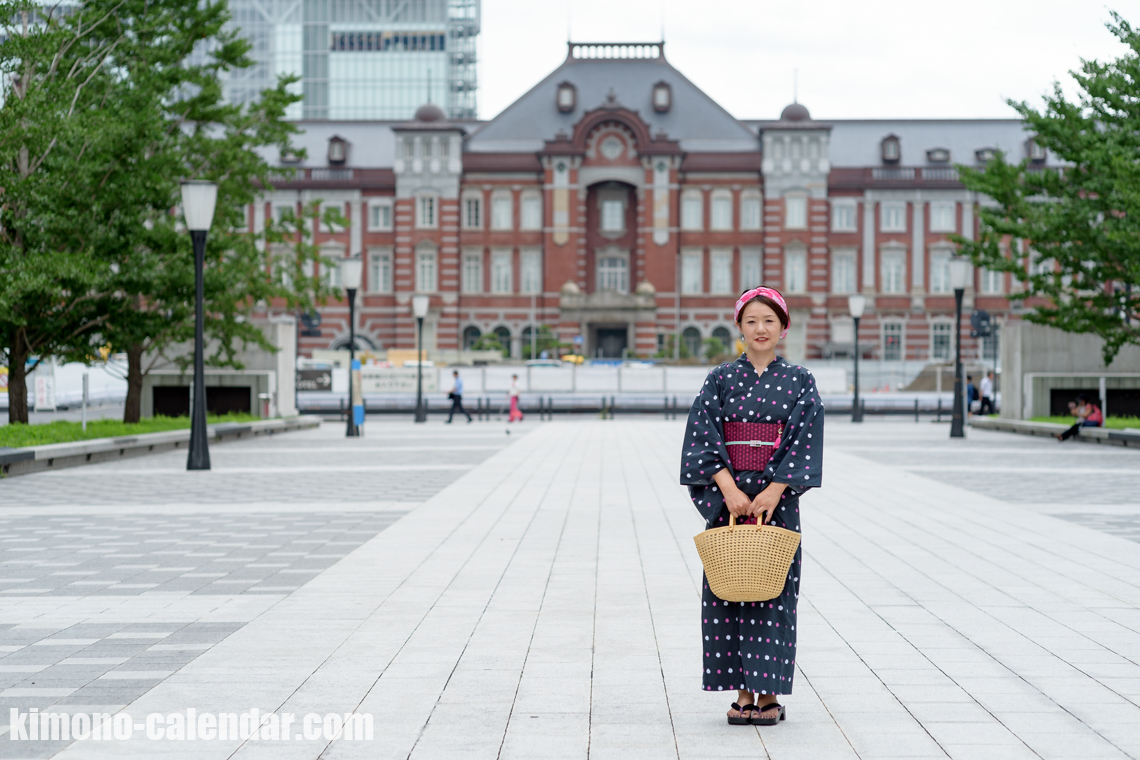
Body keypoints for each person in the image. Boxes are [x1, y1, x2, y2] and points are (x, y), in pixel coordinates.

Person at [679, 286, 824, 727]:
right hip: (730, 502)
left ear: (783, 328)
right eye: (751, 321)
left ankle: (769, 694)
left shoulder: (800, 381)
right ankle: (742, 692)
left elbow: (805, 437)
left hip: (775, 501)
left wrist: (775, 490)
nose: (760, 329)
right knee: (731, 591)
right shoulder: (720, 379)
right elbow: (701, 435)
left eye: (769, 321)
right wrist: (727, 489)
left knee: (774, 593)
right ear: (739, 327)